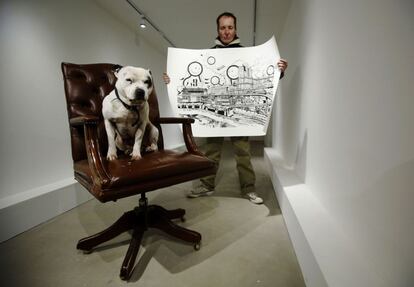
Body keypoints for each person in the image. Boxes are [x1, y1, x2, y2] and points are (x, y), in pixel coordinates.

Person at [163, 12, 288, 204]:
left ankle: (249, 189)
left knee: (243, 152)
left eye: (230, 27)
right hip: (217, 113)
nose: (226, 31)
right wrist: (171, 79)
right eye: (223, 27)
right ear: (218, 30)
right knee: (211, 150)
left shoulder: (248, 54)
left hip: (238, 110)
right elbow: (194, 78)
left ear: (235, 29)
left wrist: (279, 72)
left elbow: (262, 78)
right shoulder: (209, 53)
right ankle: (207, 185)